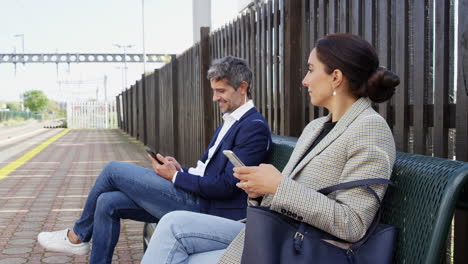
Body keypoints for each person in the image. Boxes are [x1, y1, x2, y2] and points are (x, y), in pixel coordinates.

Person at [140, 33, 401, 264]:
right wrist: (259, 188)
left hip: (307, 248)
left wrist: (278, 186)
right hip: (279, 233)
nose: (304, 80)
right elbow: (288, 193)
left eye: (311, 70)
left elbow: (353, 224)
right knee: (172, 224)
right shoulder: (316, 127)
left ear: (335, 77)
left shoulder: (369, 129)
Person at [37, 56, 272, 264]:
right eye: (213, 91)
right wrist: (181, 170)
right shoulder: (230, 120)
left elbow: (226, 186)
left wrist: (176, 177)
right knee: (107, 202)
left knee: (112, 170)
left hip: (208, 209)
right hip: (199, 197)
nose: (214, 98)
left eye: (221, 91)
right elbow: (207, 172)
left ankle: (77, 236)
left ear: (242, 87)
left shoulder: (253, 128)